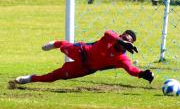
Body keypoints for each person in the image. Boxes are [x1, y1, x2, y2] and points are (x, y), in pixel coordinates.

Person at [15, 30, 154, 84]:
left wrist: (142, 74)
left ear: (131, 45)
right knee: (63, 47)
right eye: (123, 37)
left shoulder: (122, 58)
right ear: (120, 36)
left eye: (127, 40)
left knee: (55, 76)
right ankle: (56, 43)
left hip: (84, 68)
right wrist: (120, 40)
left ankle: (31, 78)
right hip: (80, 51)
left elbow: (130, 69)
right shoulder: (111, 38)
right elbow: (108, 32)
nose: (124, 40)